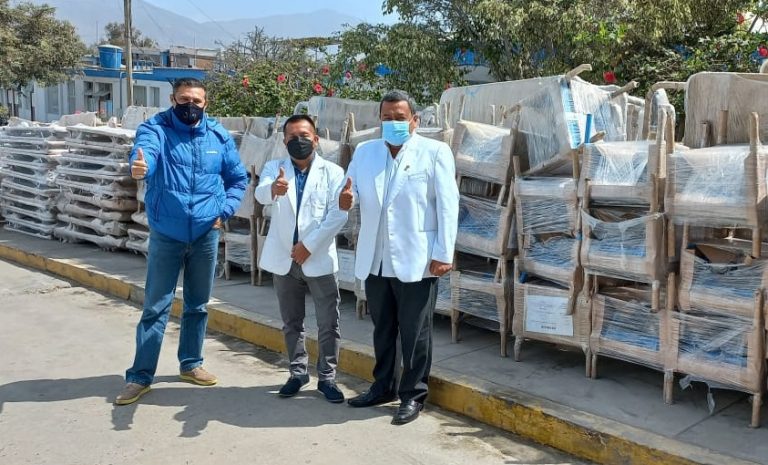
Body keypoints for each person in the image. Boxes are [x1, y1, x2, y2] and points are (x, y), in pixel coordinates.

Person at [115, 77, 248, 405]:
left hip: (206, 233)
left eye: (196, 101)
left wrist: (224, 212)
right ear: (173, 100)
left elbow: (237, 178)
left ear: (206, 103)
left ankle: (191, 363)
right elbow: (146, 155)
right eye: (184, 99)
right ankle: (140, 376)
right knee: (155, 306)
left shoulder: (218, 136)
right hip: (167, 233)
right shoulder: (156, 129)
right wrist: (140, 167)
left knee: (197, 305)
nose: (190, 106)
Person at [340, 90, 459, 425]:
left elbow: (448, 205)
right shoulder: (365, 152)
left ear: (414, 120)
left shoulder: (434, 152)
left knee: (415, 331)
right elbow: (351, 191)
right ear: (379, 120)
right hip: (376, 258)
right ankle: (382, 387)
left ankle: (413, 395)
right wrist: (346, 199)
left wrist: (443, 253)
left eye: (400, 117)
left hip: (417, 259)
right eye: (387, 118)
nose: (393, 123)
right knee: (383, 328)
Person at [255, 115, 348, 403]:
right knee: (291, 321)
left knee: (328, 322)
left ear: (316, 139)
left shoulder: (333, 172)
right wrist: (274, 189)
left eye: (305, 136)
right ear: (284, 141)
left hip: (318, 257)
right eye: (292, 137)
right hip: (285, 260)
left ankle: (327, 378)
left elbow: (338, 214)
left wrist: (308, 246)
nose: (299, 141)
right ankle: (298, 373)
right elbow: (260, 195)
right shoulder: (275, 168)